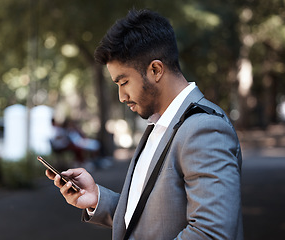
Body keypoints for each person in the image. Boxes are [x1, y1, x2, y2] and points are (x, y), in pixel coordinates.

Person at [46, 9, 243, 240]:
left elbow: (212, 233)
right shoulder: (159, 123)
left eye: (124, 82)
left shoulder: (204, 129)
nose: (121, 96)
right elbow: (151, 216)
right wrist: (97, 198)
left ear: (156, 70)